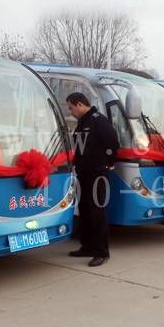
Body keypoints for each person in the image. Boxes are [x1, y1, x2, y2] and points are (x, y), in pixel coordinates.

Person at [66, 92, 120, 267]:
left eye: (71, 108)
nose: (71, 112)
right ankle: (87, 246)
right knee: (85, 211)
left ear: (79, 104)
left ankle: (101, 252)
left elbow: (113, 144)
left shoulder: (99, 121)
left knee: (97, 212)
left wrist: (109, 163)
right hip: (83, 173)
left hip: (97, 174)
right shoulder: (83, 122)